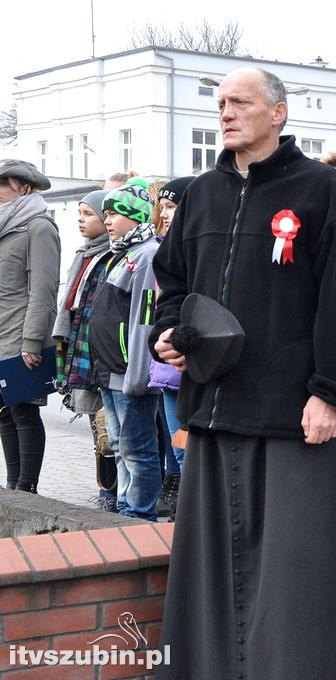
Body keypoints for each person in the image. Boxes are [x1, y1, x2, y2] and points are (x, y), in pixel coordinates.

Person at [150, 66, 336, 680]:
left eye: (240, 102)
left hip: (290, 414)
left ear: (277, 113)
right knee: (212, 566)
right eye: (220, 103)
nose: (225, 112)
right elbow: (171, 283)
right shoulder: (200, 192)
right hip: (215, 405)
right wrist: (168, 333)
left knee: (293, 571)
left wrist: (330, 392)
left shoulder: (319, 190)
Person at [90, 178, 162, 520]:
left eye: (115, 213)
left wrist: (138, 371)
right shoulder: (121, 254)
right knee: (119, 446)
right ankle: (123, 507)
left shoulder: (146, 256)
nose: (107, 220)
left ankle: (139, 513)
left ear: (135, 216)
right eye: (105, 214)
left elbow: (144, 319)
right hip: (109, 370)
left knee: (138, 449)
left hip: (128, 372)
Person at [52, 188, 118, 510]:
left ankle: (115, 495)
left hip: (100, 353)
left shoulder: (111, 257)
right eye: (80, 213)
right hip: (82, 350)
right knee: (98, 428)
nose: (81, 219)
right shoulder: (84, 255)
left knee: (113, 433)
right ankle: (105, 491)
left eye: (88, 214)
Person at [0, 160, 60, 494]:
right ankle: (12, 489)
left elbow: (43, 288)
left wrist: (32, 340)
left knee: (23, 411)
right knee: (5, 413)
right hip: (1, 331)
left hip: (22, 335)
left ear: (22, 187)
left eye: (1, 185)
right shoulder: (5, 225)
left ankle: (27, 488)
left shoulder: (38, 226)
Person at [149, 176, 195, 520]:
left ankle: (194, 515)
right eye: (161, 207)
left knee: (191, 450)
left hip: (191, 368)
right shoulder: (164, 250)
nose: (164, 214)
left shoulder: (197, 248)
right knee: (178, 450)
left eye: (171, 207)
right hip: (166, 368)